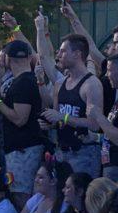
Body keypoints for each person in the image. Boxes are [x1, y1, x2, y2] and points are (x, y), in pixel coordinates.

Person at [0, 39, 45, 209]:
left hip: (23, 149)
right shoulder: (24, 79)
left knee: (22, 195)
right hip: (19, 148)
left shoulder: (23, 82)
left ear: (7, 58)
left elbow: (20, 119)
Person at [41, 34, 103, 178]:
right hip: (61, 151)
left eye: (63, 51)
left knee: (80, 197)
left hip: (83, 153)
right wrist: (48, 123)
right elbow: (58, 118)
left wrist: (64, 117)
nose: (58, 55)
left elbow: (94, 124)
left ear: (77, 54)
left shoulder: (91, 84)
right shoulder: (59, 84)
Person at [88, 52, 118, 184]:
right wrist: (96, 137)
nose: (106, 75)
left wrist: (99, 116)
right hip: (111, 167)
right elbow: (113, 132)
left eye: (109, 70)